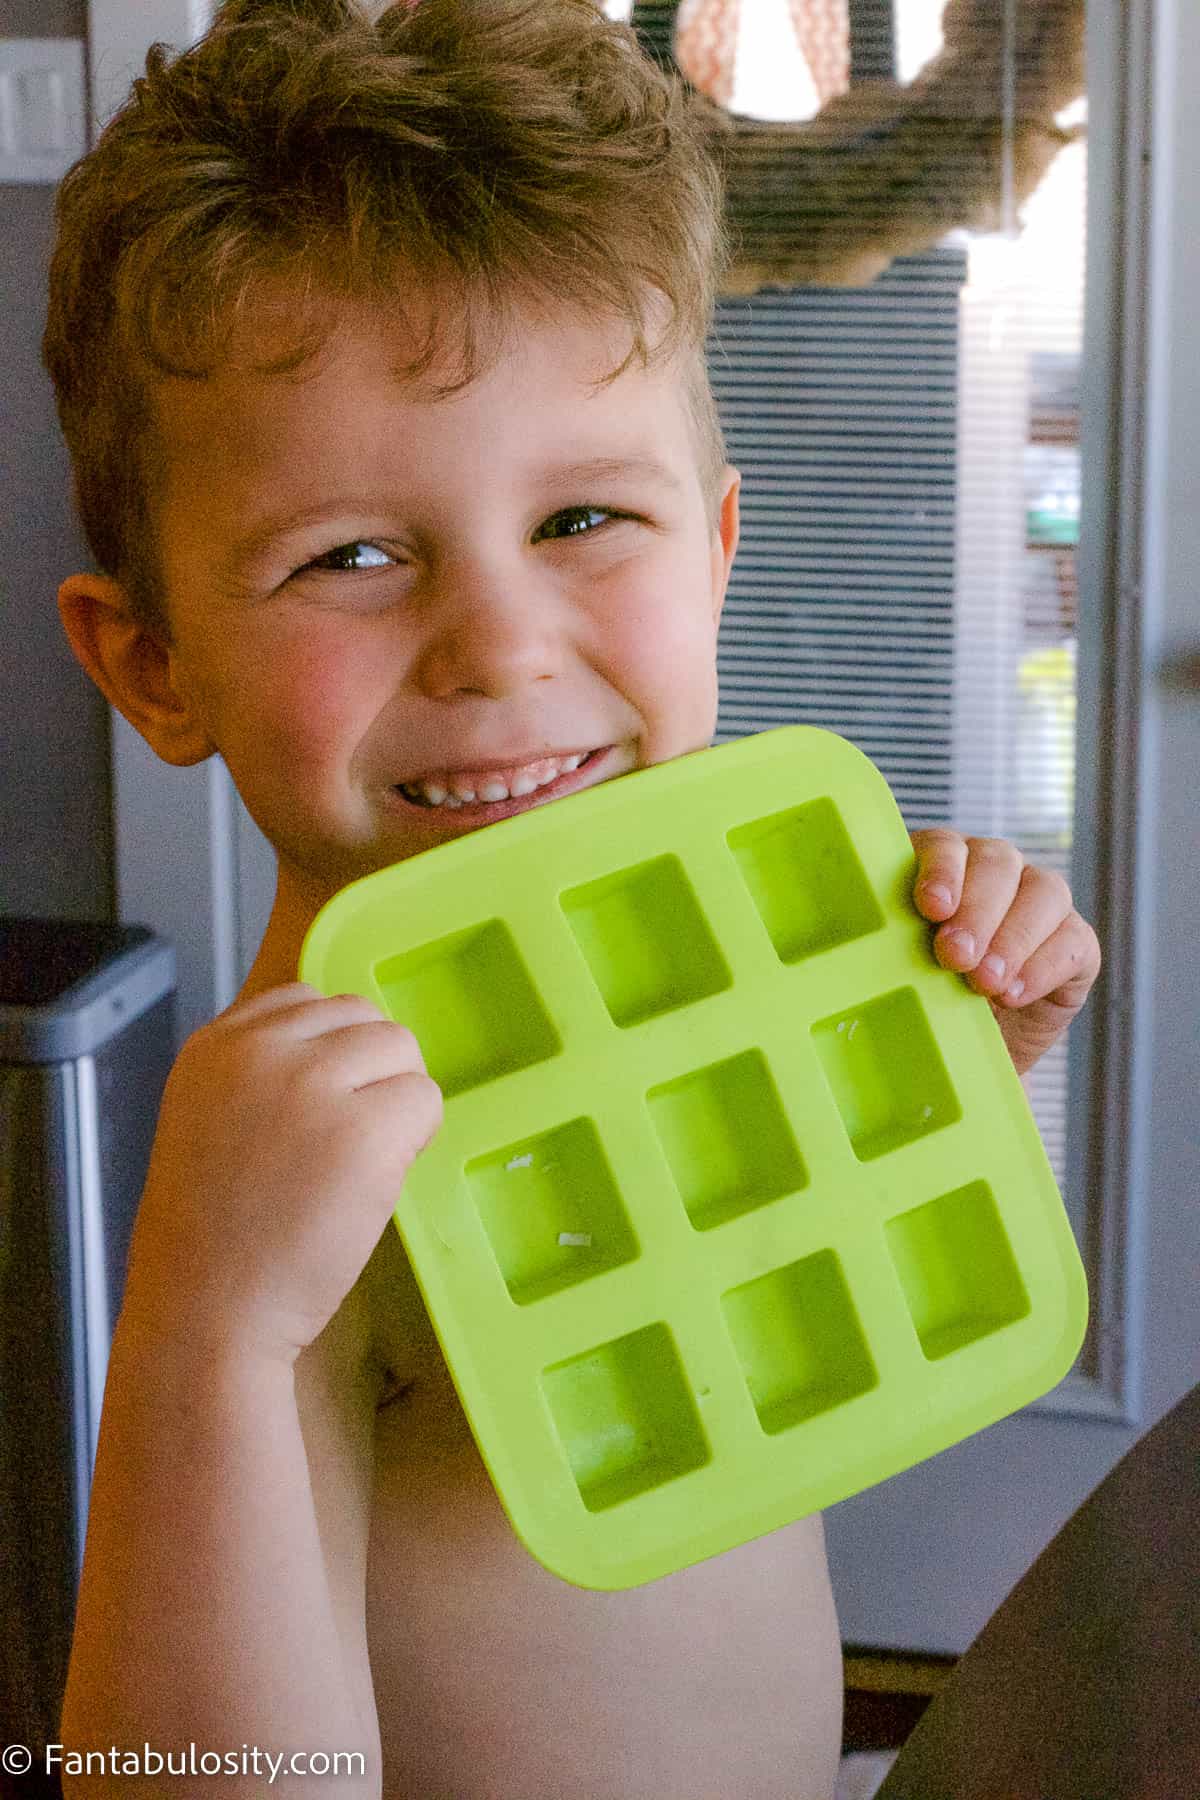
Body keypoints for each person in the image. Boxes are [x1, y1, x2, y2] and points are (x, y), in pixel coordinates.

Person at [44, 1, 1102, 1794]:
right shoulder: (294, 1189)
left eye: (584, 523)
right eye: (351, 557)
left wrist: (928, 1075)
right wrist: (209, 1340)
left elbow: (744, 1389)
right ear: (152, 665)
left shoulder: (708, 994)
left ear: (717, 545)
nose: (500, 648)